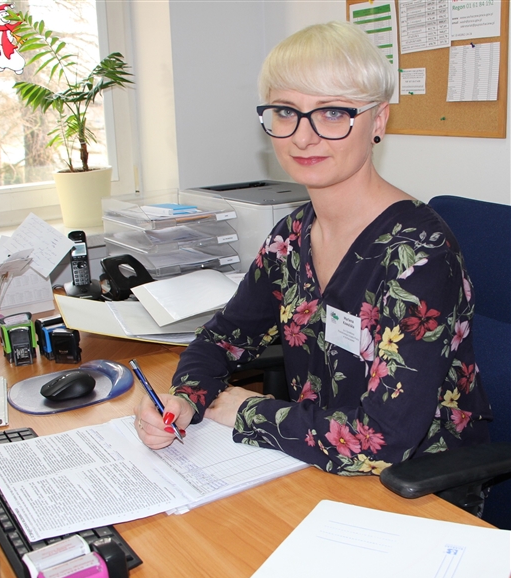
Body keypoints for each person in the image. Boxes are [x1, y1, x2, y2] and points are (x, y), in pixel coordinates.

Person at [134, 21, 491, 476]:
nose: (303, 137)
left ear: (378, 120)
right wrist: (185, 398)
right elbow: (222, 338)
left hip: (416, 485)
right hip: (314, 464)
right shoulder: (290, 238)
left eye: (333, 112)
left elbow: (384, 439)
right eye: (286, 112)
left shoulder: (419, 254)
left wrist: (247, 411)